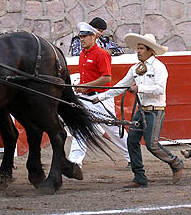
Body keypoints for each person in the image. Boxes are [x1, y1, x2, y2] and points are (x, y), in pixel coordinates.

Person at [92, 33, 184, 188]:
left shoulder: (159, 67)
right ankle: (139, 176)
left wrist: (139, 88)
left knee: (151, 144)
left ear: (150, 51)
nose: (138, 51)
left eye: (141, 48)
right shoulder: (135, 68)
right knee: (132, 140)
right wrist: (100, 97)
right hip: (141, 111)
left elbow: (160, 89)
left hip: (155, 110)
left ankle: (176, 162)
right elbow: (120, 86)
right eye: (138, 48)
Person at [67, 22, 131, 170]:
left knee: (113, 129)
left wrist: (85, 87)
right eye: (80, 36)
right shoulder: (83, 54)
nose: (81, 39)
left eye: (84, 37)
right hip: (86, 97)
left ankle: (132, 156)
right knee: (79, 126)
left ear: (93, 37)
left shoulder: (101, 54)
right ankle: (74, 161)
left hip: (101, 97)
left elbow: (107, 78)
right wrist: (81, 88)